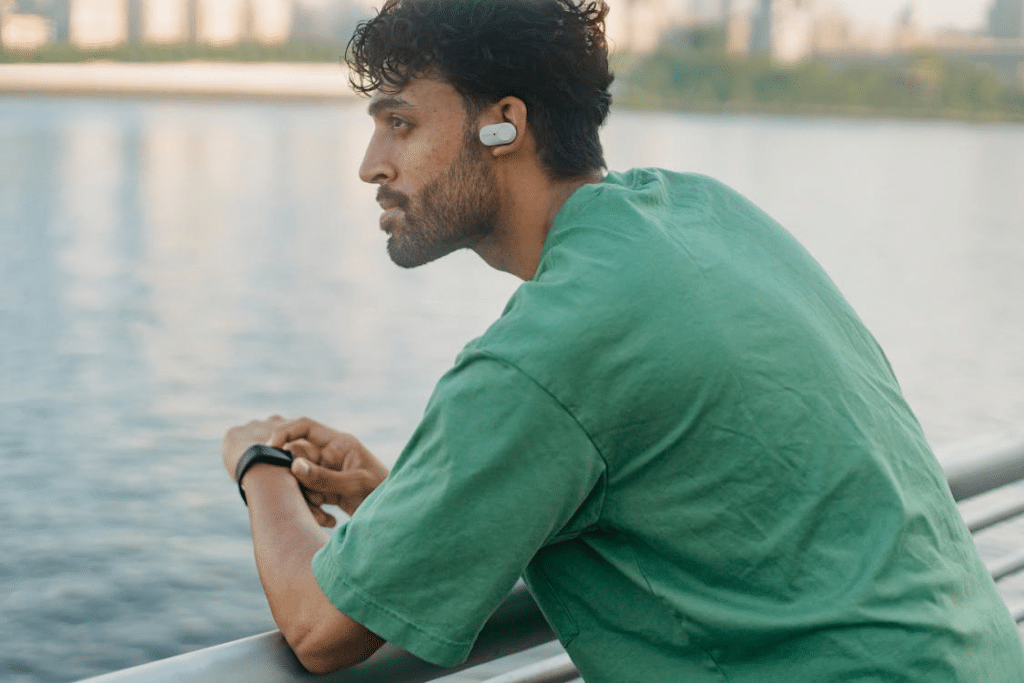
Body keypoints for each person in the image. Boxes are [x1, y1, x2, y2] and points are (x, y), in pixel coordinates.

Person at [220, 0, 1024, 680]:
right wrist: (396, 499)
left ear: (505, 126)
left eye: (400, 123)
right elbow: (684, 480)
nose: (371, 164)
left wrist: (260, 467)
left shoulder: (548, 354)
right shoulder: (708, 216)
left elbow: (324, 628)